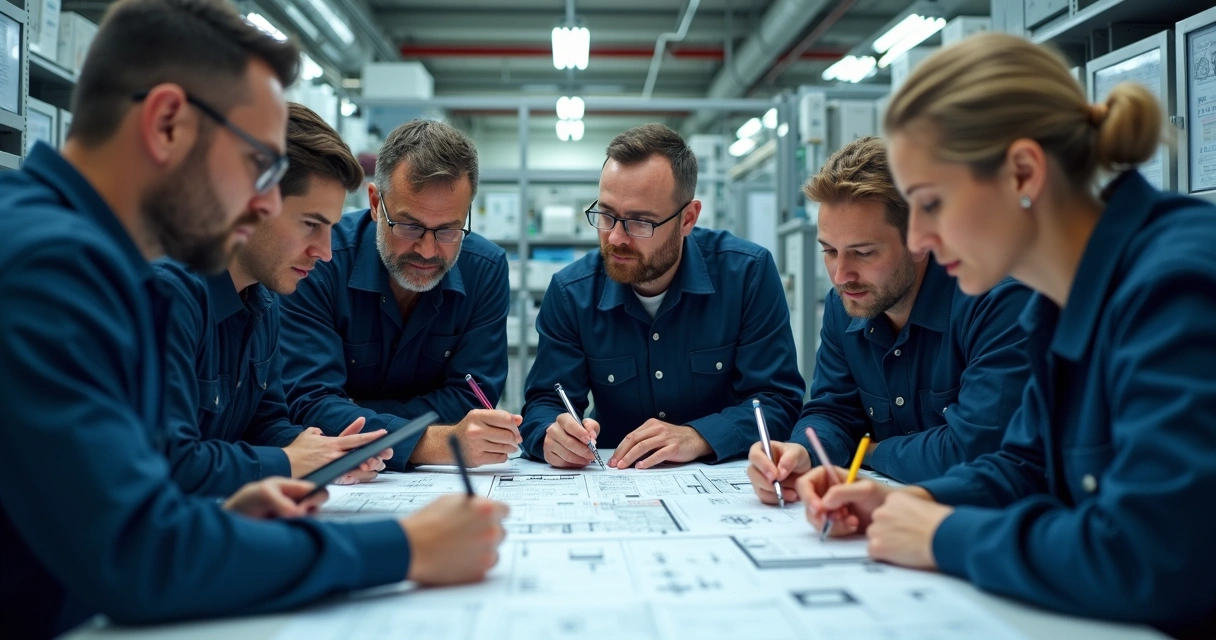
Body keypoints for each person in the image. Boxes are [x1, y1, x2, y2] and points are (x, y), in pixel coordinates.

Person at [0, 1, 505, 636]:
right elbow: (137, 554)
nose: (266, 204)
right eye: (259, 166)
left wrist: (221, 519)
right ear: (167, 124)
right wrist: (405, 547)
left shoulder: (92, 259)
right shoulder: (50, 265)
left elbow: (123, 505)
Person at [797, 32, 1216, 637]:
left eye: (931, 203)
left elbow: (1154, 555)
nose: (919, 240)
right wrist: (913, 502)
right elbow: (1024, 465)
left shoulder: (1175, 286)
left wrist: (945, 535)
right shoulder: (1061, 299)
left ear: (1023, 173)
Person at [746, 137, 1031, 496]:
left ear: (920, 241)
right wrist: (803, 453)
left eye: (863, 253)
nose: (841, 276)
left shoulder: (995, 302)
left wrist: (868, 452)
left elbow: (975, 451)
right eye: (829, 251)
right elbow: (833, 413)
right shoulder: (846, 303)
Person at [520, 124, 805, 469]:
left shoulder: (747, 275)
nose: (616, 238)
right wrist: (552, 435)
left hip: (724, 479)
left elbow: (778, 402)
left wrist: (699, 436)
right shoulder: (572, 292)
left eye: (640, 222)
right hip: (614, 476)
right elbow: (545, 404)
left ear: (688, 218)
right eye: (606, 215)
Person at [156, 103, 391, 497]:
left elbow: (263, 424)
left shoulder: (262, 299)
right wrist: (292, 461)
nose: (325, 252)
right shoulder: (168, 295)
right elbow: (170, 462)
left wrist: (324, 451)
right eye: (311, 224)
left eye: (330, 228)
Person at [279, 119, 520, 469]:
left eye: (448, 230)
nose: (427, 250)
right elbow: (308, 401)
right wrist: (427, 441)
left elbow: (469, 401)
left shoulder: (484, 269)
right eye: (409, 226)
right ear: (376, 203)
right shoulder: (320, 260)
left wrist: (353, 409)